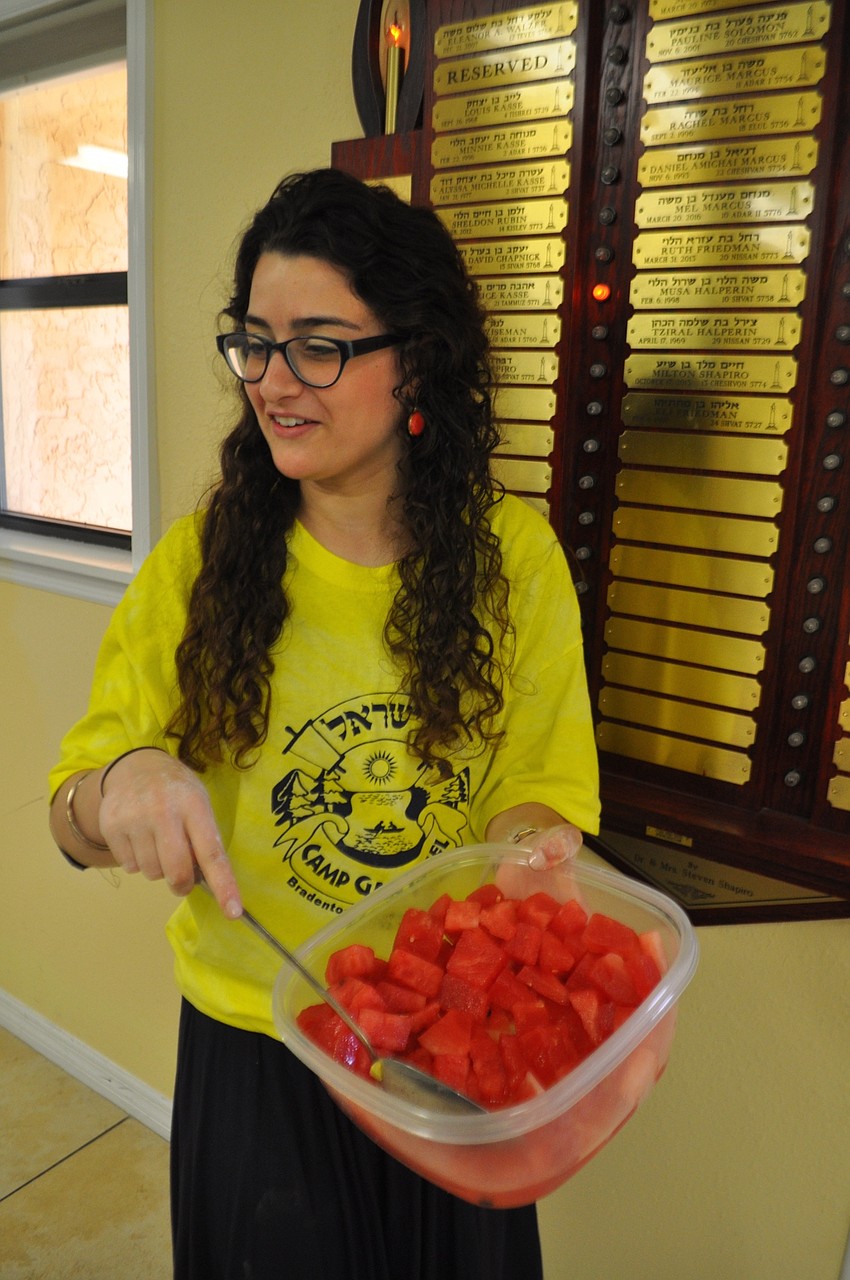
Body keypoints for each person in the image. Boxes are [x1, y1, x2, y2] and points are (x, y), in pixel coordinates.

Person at [48, 167, 600, 1280]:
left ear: (417, 360)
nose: (272, 381)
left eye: (318, 346)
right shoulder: (200, 566)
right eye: (254, 343)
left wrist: (534, 861)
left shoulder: (515, 561)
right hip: (262, 1042)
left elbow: (534, 792)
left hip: (446, 1044)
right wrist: (124, 783)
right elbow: (71, 817)